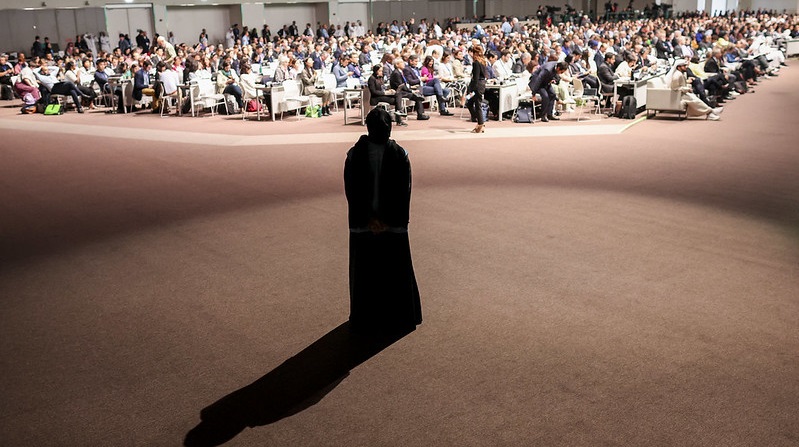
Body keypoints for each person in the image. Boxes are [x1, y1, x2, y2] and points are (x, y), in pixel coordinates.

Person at [344, 107, 422, 334]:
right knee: (395, 271)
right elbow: (403, 192)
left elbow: (352, 192)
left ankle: (366, 318)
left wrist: (371, 220)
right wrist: (388, 221)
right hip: (390, 223)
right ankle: (399, 316)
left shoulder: (354, 154)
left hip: (368, 223)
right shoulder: (399, 154)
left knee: (366, 273)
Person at [466, 44, 487, 133]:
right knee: (470, 103)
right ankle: (480, 121)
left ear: (474, 53)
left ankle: (480, 124)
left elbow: (476, 77)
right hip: (482, 84)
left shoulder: (476, 63)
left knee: (476, 105)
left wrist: (471, 90)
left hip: (476, 86)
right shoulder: (483, 61)